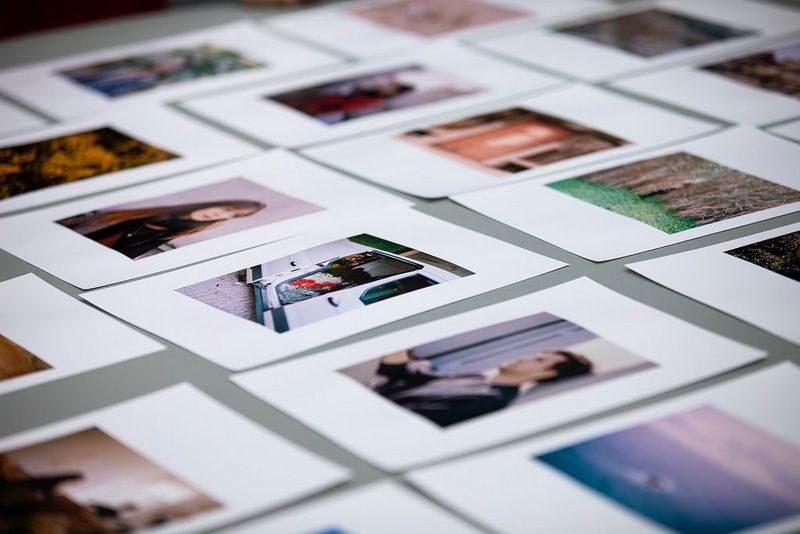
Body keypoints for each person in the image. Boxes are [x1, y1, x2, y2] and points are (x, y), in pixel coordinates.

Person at [370, 348, 593, 427]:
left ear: (547, 373)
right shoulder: (480, 379)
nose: (526, 357)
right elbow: (416, 378)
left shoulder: (490, 402)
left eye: (538, 360)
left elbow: (408, 416)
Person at [58, 200, 265, 260]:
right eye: (226, 208)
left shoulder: (168, 236)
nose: (220, 214)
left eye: (233, 215)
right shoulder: (141, 211)